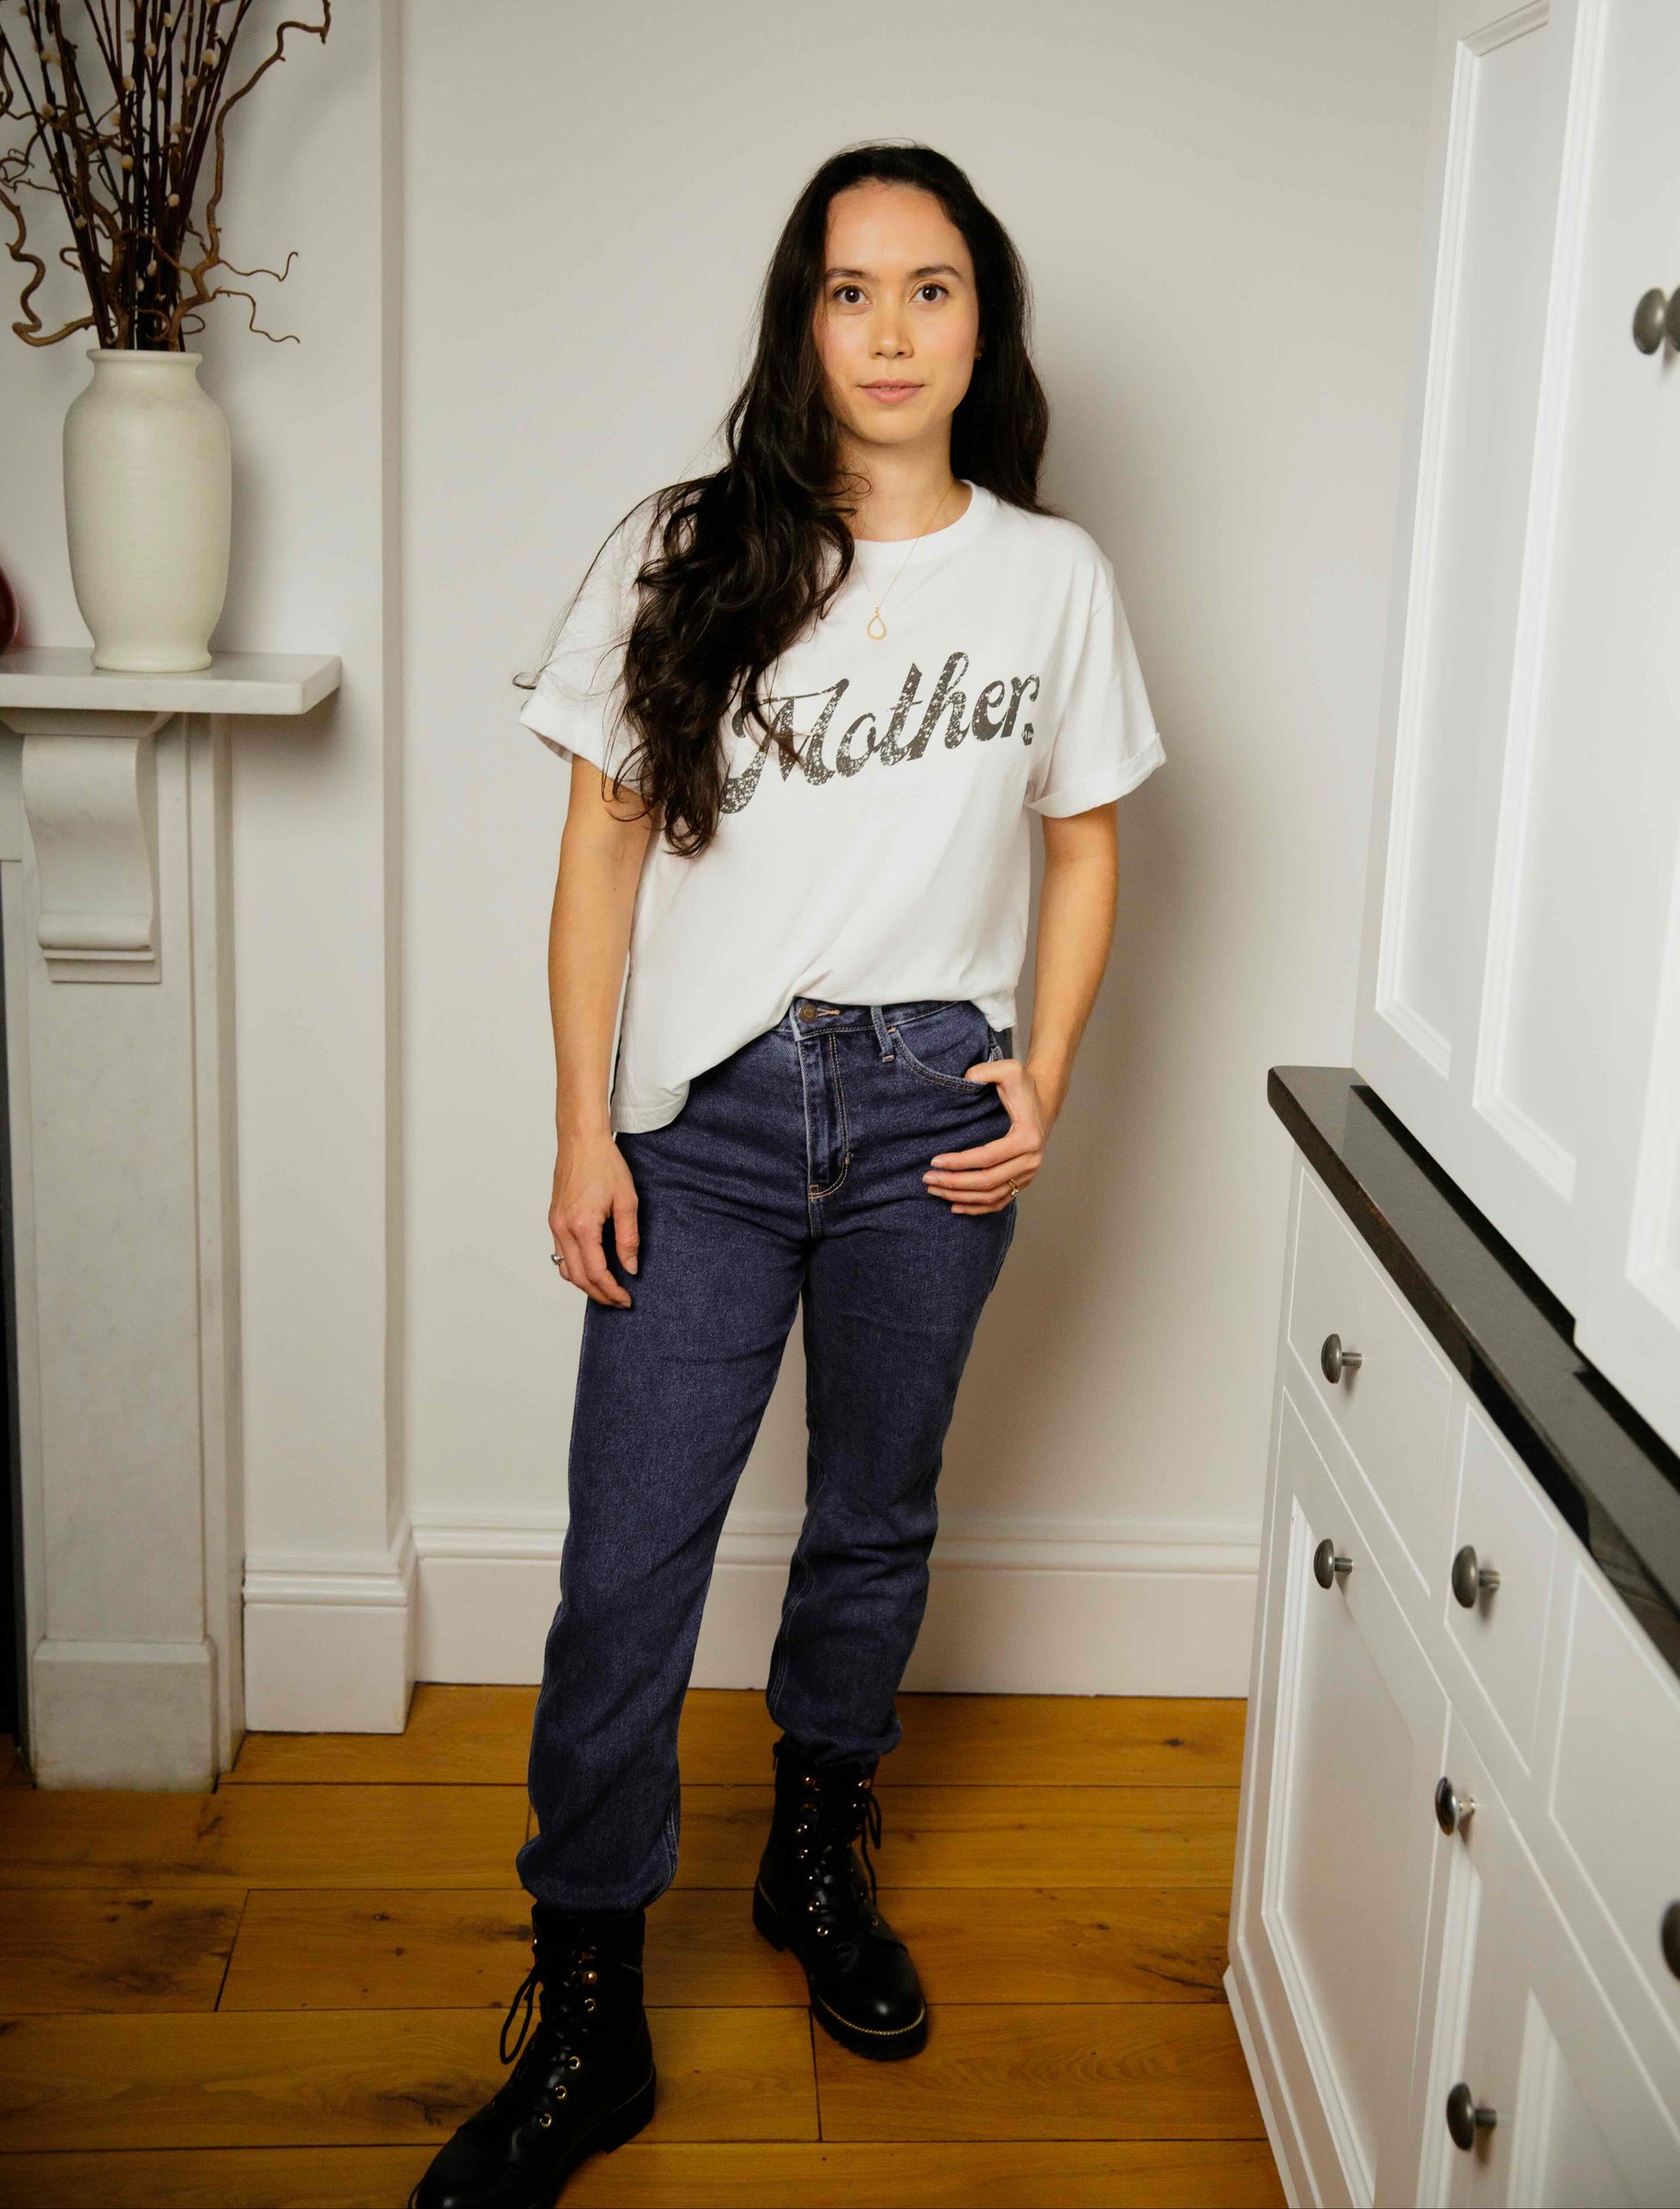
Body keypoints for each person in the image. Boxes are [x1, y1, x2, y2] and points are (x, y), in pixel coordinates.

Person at [411, 139, 1165, 2209]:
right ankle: (587, 2005)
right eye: (852, 291)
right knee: (624, 1567)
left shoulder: (1051, 578)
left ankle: (813, 1842)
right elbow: (596, 854)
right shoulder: (685, 548)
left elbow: (1086, 838)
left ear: (981, 319)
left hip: (933, 1108)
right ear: (800, 324)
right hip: (708, 1122)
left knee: (871, 1517)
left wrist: (1053, 1070)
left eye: (931, 287)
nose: (893, 328)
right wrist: (585, 1120)